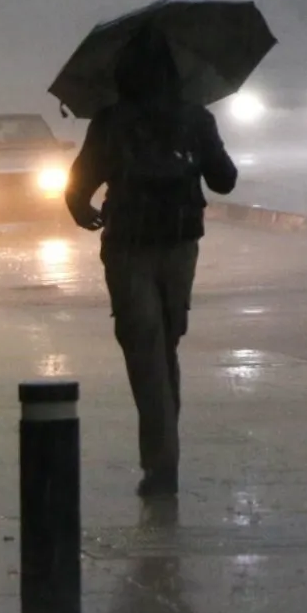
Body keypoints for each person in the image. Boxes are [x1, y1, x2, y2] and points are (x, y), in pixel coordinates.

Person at [65, 27, 238, 497]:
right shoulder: (195, 118)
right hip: (180, 245)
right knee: (165, 346)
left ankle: (161, 461)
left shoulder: (110, 121)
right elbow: (225, 180)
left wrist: (86, 212)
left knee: (145, 349)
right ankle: (164, 454)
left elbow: (78, 188)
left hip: (127, 246)